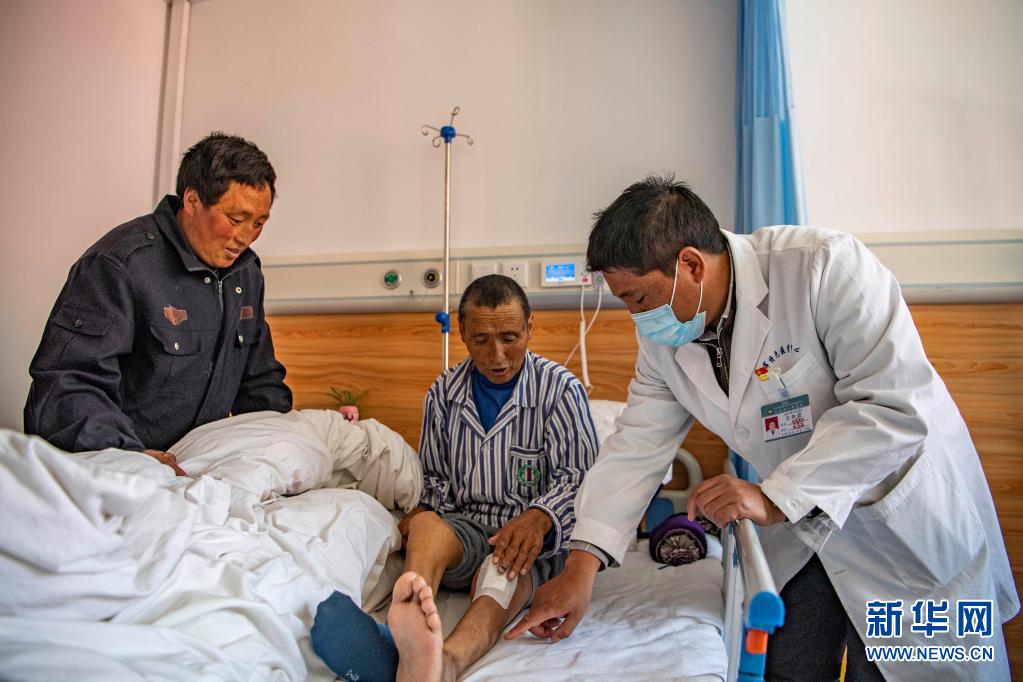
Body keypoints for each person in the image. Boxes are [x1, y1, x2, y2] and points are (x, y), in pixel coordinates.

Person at [507, 175, 1019, 681]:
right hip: (804, 531)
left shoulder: (824, 266)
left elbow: (893, 406)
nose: (636, 317)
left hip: (899, 522)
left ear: (690, 265)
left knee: (908, 672)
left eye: (639, 299)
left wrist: (773, 497)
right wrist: (580, 568)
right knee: (790, 664)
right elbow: (635, 446)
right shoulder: (664, 341)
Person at [311, 274, 600, 682]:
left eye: (510, 337)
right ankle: (406, 633)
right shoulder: (444, 393)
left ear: (530, 328)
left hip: (531, 542)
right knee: (427, 526)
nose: (497, 355)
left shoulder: (560, 392)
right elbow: (435, 479)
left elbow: (581, 480)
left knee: (502, 574)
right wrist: (420, 511)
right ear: (461, 332)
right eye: (481, 340)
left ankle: (444, 663)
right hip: (467, 528)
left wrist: (541, 517)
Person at [24, 132, 292, 474]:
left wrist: (287, 448)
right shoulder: (119, 264)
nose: (246, 237)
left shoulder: (245, 274)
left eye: (259, 223)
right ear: (192, 201)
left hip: (187, 472)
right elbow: (69, 382)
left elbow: (260, 385)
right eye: (236, 220)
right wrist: (129, 457)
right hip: (111, 466)